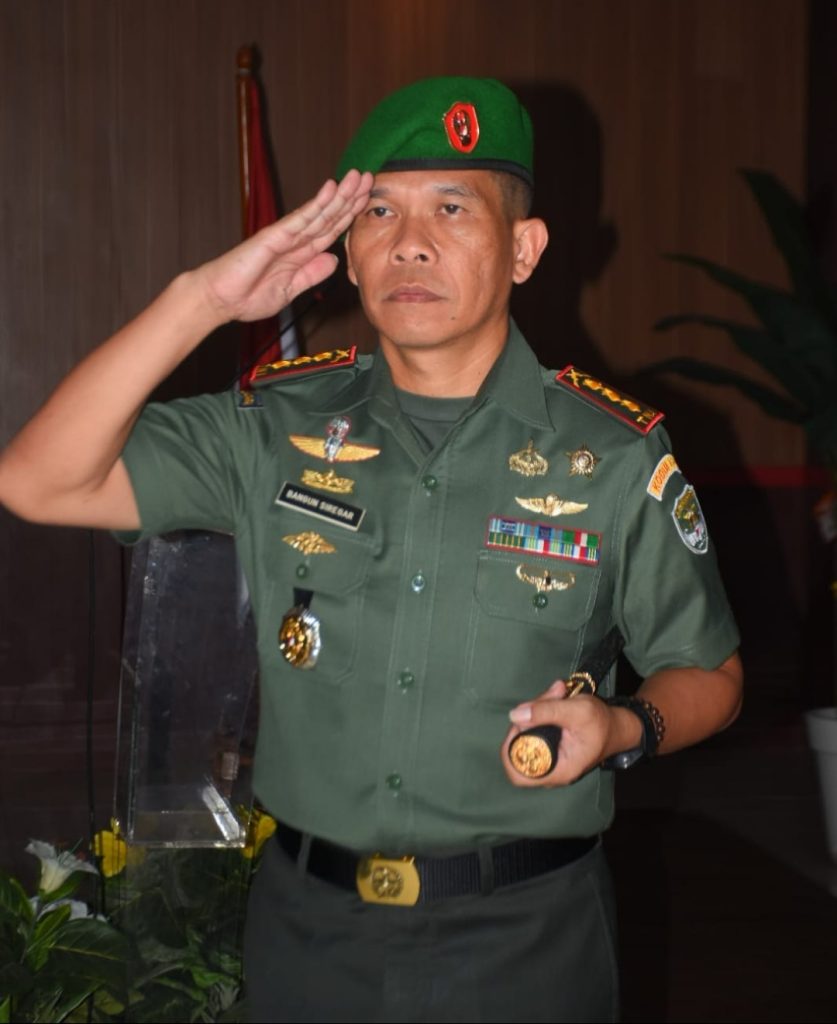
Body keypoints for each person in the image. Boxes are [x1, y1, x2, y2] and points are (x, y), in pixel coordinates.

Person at [0, 76, 742, 1022]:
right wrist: (200, 300)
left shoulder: (611, 454)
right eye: (378, 212)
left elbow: (708, 673)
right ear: (347, 254)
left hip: (526, 941)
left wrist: (622, 728)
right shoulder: (274, 426)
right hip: (310, 935)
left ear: (523, 249)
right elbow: (37, 479)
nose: (410, 241)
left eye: (451, 208)